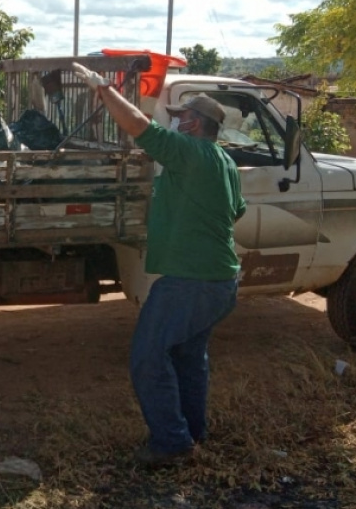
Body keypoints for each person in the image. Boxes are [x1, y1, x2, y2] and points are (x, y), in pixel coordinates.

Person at [72, 62, 246, 468]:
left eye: (182, 117)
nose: (177, 122)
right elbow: (235, 211)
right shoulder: (225, 162)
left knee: (148, 356)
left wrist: (104, 90)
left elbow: (138, 126)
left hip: (191, 282)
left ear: (196, 124)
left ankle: (171, 443)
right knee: (187, 358)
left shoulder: (188, 151)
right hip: (221, 281)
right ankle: (192, 432)